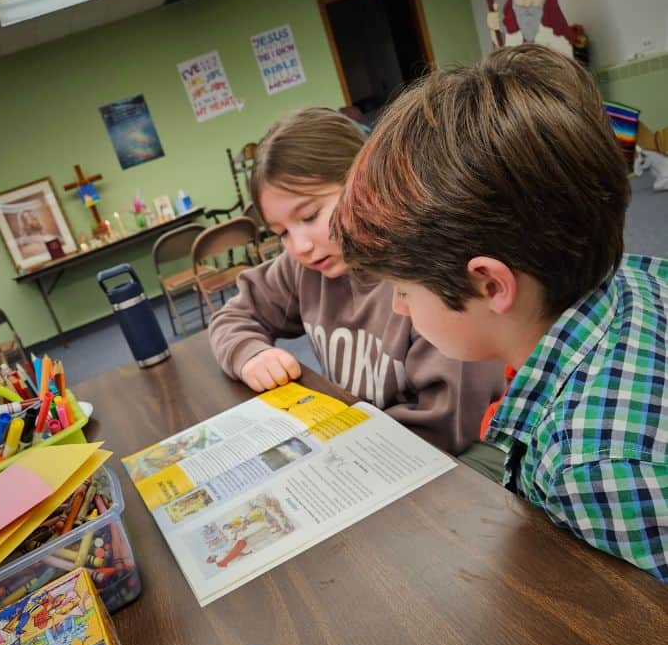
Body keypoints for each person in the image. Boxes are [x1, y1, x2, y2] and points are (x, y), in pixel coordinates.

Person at [332, 44, 667, 582]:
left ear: (490, 284)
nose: (397, 306)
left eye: (403, 289)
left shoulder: (590, 468)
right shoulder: (631, 272)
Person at [207, 107, 504, 455]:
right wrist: (250, 354)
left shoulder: (420, 274)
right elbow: (234, 316)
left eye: (310, 215)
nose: (299, 246)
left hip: (448, 458)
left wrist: (349, 447)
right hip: (363, 443)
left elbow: (447, 423)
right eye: (281, 232)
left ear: (363, 182)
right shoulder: (305, 266)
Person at [487, 0, 574, 57]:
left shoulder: (559, 41)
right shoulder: (510, 39)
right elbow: (500, 61)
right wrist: (493, 29)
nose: (527, 3)